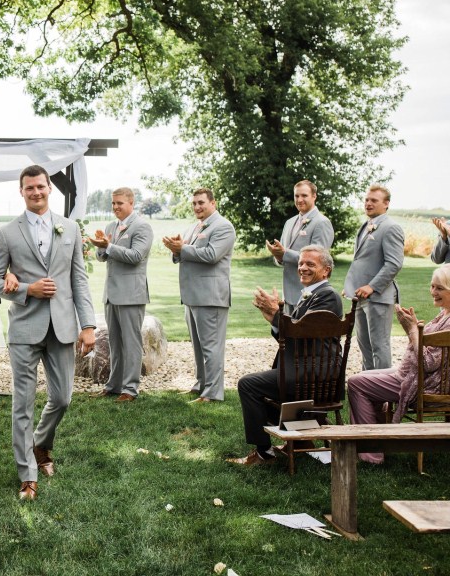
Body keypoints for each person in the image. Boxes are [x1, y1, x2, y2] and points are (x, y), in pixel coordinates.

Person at [0, 165, 96, 501]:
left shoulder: (70, 228)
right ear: (21, 192)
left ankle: (41, 443)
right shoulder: (7, 234)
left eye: (40, 187)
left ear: (50, 188)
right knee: (23, 404)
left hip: (62, 327)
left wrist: (87, 325)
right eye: (29, 188)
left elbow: (79, 279)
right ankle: (27, 474)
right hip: (25, 328)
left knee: (62, 398)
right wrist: (26, 290)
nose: (36, 192)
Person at [228, 245, 344, 466]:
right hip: (309, 370)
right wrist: (273, 316)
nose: (303, 268)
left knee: (248, 385)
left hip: (315, 376)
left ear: (326, 270)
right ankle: (302, 438)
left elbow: (301, 334)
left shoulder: (327, 296)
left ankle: (264, 453)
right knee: (263, 383)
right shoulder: (313, 295)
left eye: (311, 264)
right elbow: (295, 336)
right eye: (301, 263)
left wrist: (277, 314)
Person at [347, 263, 450, 463]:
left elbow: (428, 363)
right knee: (364, 376)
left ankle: (371, 455)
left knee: (356, 383)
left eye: (439, 288)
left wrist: (412, 330)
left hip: (425, 384)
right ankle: (380, 440)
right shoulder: (445, 313)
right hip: (417, 376)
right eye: (432, 286)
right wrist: (414, 325)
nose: (433, 292)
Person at [162, 188, 236, 403]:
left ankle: (213, 393)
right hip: (192, 296)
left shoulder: (224, 226)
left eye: (201, 202)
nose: (197, 207)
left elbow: (212, 255)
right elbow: (184, 254)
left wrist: (182, 248)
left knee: (211, 347)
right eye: (194, 203)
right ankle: (201, 385)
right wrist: (176, 250)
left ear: (213, 203)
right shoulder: (194, 226)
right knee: (198, 346)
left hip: (211, 296)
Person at [87, 187, 153, 402]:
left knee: (131, 343)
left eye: (119, 203)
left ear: (131, 203)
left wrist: (109, 246)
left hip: (132, 295)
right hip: (111, 294)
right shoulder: (110, 226)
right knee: (115, 342)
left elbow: (135, 256)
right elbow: (102, 257)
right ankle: (113, 385)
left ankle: (130, 389)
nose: (115, 207)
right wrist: (100, 247)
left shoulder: (142, 226)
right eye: (113, 203)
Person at [343, 185, 405, 370]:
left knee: (380, 346)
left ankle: (384, 392)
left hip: (378, 297)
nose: (368, 204)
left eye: (374, 201)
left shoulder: (391, 227)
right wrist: (351, 286)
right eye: (367, 200)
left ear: (386, 204)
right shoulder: (365, 225)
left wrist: (371, 286)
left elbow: (394, 263)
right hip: (360, 297)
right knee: (365, 347)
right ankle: (368, 390)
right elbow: (363, 261)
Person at [266, 180, 334, 307]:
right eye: (296, 196)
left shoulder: (322, 222)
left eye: (304, 195)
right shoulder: (289, 222)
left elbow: (319, 259)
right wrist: (278, 256)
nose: (299, 199)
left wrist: (285, 254)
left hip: (309, 293)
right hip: (288, 293)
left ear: (314, 196)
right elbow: (283, 258)